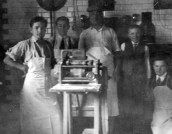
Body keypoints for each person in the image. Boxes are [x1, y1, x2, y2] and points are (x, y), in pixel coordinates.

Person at [3, 16, 62, 134]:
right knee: (32, 120)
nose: (40, 31)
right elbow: (7, 60)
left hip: (47, 85)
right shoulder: (24, 44)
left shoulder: (48, 45)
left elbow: (52, 65)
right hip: (32, 88)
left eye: (43, 28)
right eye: (37, 28)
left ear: (46, 29)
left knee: (55, 116)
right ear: (31, 29)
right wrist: (21, 67)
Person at [78, 5, 121, 134]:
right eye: (92, 14)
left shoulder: (110, 31)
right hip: (91, 73)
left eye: (98, 13)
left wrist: (116, 70)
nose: (95, 16)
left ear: (102, 15)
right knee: (92, 103)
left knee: (111, 104)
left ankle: (110, 131)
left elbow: (118, 53)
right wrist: (85, 72)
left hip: (110, 72)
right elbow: (79, 55)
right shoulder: (84, 34)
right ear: (89, 17)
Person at [116, 24, 151, 133]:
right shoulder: (123, 46)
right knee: (126, 105)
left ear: (141, 34)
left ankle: (137, 129)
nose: (135, 36)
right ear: (128, 35)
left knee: (139, 105)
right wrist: (118, 78)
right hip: (126, 81)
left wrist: (148, 79)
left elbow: (147, 64)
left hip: (139, 81)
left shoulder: (145, 47)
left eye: (137, 33)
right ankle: (127, 129)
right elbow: (119, 64)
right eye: (132, 33)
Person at [48, 16, 77, 85]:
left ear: (68, 27)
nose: (62, 28)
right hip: (54, 70)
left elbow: (76, 57)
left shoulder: (72, 41)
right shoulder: (51, 41)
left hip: (68, 69)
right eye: (60, 26)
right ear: (56, 27)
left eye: (65, 26)